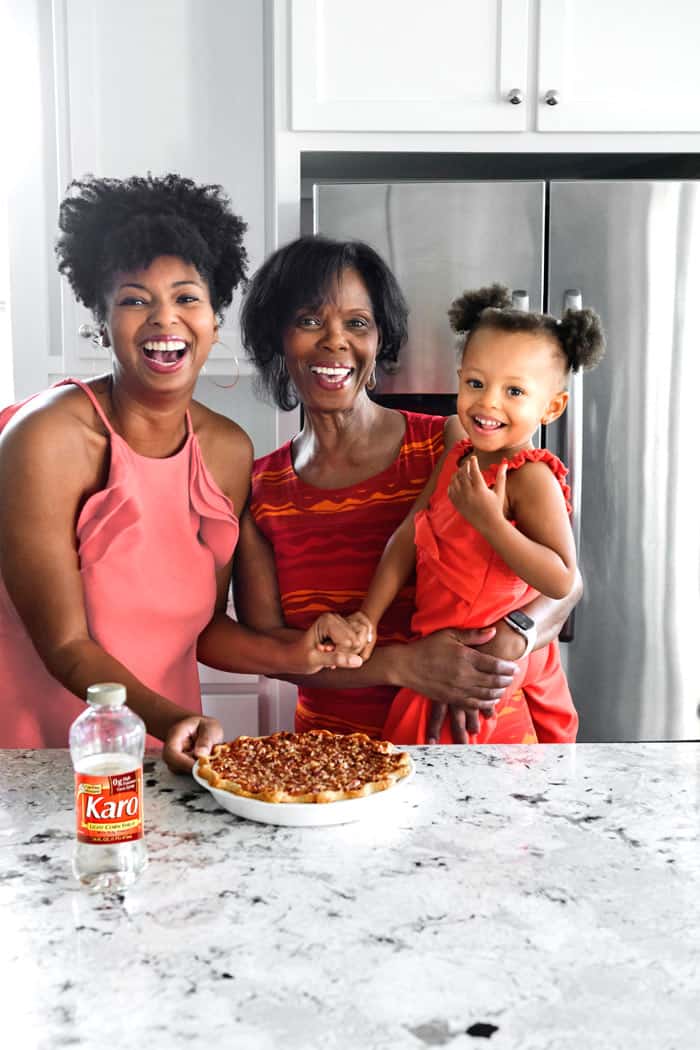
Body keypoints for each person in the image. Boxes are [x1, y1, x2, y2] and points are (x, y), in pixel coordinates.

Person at [0, 175, 362, 772]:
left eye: (187, 298)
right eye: (135, 300)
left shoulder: (224, 451)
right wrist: (169, 720)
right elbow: (65, 645)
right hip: (39, 764)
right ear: (100, 322)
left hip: (169, 763)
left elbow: (207, 629)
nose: (164, 320)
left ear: (215, 320)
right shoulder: (45, 439)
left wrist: (296, 652)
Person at [235, 237, 583, 742]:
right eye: (309, 321)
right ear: (277, 338)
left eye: (357, 323)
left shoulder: (451, 444)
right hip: (335, 754)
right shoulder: (260, 490)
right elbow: (269, 647)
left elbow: (566, 581)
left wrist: (512, 639)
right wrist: (402, 666)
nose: (335, 341)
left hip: (477, 745)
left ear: (380, 340)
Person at [342, 283, 606, 743]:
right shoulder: (458, 457)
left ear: (553, 407)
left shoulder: (531, 479)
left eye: (515, 391)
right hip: (435, 665)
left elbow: (562, 578)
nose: (488, 403)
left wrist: (490, 522)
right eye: (476, 384)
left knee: (488, 807)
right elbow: (408, 536)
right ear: (459, 377)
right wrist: (369, 614)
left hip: (490, 681)